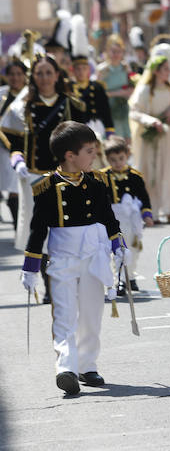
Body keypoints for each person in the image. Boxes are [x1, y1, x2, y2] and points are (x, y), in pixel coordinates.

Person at [21, 121, 127, 395]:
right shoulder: (46, 187)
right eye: (90, 151)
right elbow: (38, 230)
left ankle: (87, 364)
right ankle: (66, 367)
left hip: (93, 256)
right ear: (70, 155)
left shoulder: (97, 182)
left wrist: (118, 244)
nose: (95, 156)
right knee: (65, 315)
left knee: (92, 314)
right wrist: (31, 267)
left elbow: (107, 216)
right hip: (63, 260)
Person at [3, 54, 86, 281]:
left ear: (57, 75)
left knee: (67, 229)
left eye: (49, 72)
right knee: (40, 231)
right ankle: (50, 284)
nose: (44, 78)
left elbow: (84, 141)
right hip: (35, 177)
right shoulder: (23, 107)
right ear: (33, 77)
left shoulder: (71, 105)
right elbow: (15, 142)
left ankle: (69, 277)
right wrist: (18, 160)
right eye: (39, 73)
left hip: (68, 177)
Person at [128, 55, 170, 224]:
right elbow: (134, 112)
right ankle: (151, 209)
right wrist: (151, 121)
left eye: (169, 68)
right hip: (151, 138)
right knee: (151, 172)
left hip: (169, 136)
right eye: (165, 69)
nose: (169, 72)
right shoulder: (145, 90)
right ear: (156, 71)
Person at [98, 136, 153, 294]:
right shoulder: (103, 176)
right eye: (113, 159)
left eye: (121, 158)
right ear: (107, 159)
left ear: (127, 155)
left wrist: (147, 214)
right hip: (113, 217)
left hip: (132, 218)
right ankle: (120, 279)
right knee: (119, 248)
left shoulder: (135, 175)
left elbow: (144, 196)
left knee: (134, 249)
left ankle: (131, 277)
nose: (117, 162)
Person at [69, 15, 115, 143]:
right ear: (73, 70)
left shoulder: (97, 87)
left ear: (88, 70)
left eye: (84, 68)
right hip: (78, 132)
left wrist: (110, 131)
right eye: (77, 69)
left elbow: (105, 111)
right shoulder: (68, 87)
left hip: (98, 128)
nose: (81, 72)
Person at [0, 59, 27, 228]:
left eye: (19, 74)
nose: (15, 78)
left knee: (20, 187)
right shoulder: (2, 95)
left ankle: (22, 227)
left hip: (27, 148)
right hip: (4, 149)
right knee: (12, 186)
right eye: (12, 74)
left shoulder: (30, 94)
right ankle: (19, 227)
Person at [96, 35, 134, 141]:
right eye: (113, 51)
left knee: (127, 141)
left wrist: (127, 93)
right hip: (109, 110)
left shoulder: (126, 68)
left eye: (119, 51)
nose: (116, 54)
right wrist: (118, 93)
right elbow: (98, 93)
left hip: (124, 109)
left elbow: (132, 88)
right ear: (108, 51)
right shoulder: (102, 70)